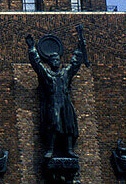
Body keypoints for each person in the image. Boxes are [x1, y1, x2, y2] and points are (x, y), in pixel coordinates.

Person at [26, 31, 88, 159]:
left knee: (69, 123)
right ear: (49, 62)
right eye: (53, 60)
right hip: (53, 101)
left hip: (65, 100)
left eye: (57, 60)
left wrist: (79, 48)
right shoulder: (47, 75)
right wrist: (32, 48)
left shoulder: (65, 73)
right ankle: (50, 149)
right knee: (54, 122)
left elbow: (75, 63)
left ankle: (69, 149)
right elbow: (37, 65)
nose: (55, 62)